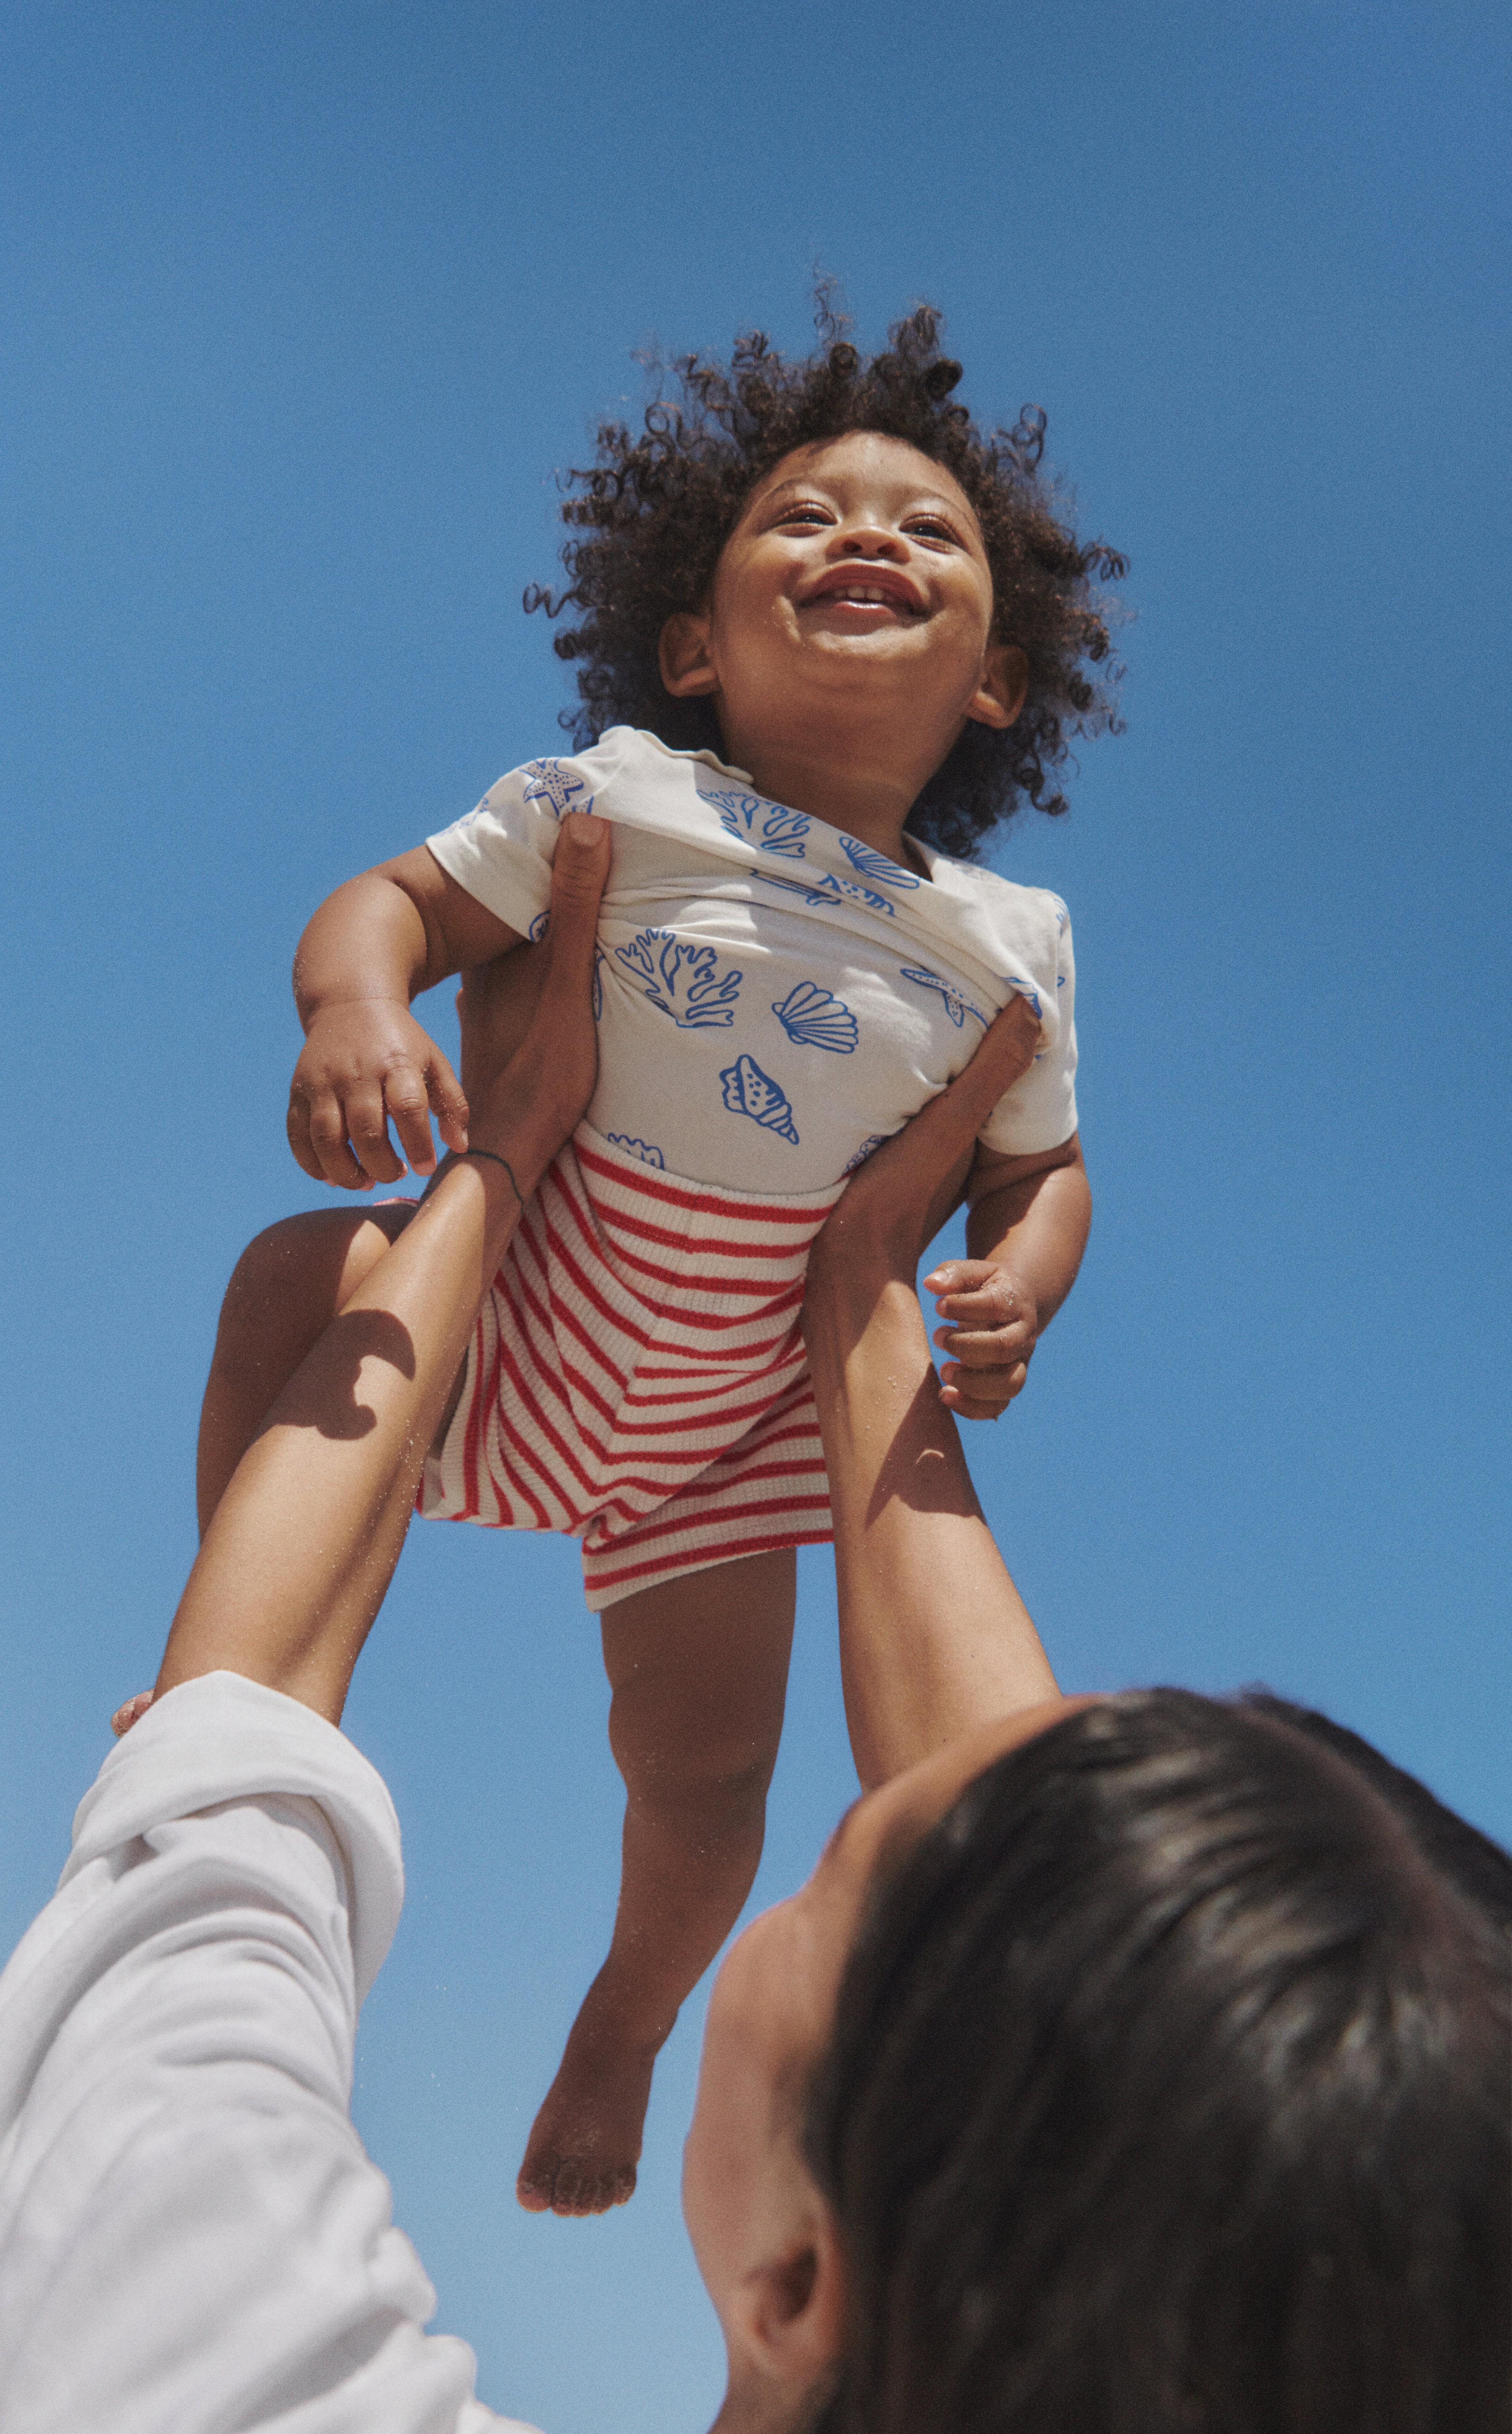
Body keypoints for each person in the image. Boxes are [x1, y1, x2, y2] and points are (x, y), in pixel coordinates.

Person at [0, 825, 1510, 2434]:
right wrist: (854, 1281)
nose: (899, 1803)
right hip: (723, 1324)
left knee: (689, 1761)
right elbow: (1023, 1883)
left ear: (808, 2281)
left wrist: (508, 1150)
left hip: (537, 1256)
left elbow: (234, 1743)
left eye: (841, 1879)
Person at [195, 301, 1124, 2215]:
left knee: (707, 1797)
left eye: (928, 533)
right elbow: (391, 900)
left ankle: (623, 2026)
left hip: (732, 1423)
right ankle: (253, 1694)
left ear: (998, 688)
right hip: (524, 1312)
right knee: (296, 1279)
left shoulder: (1010, 938)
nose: (869, 535)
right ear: (695, 644)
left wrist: (1024, 1281)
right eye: (805, 517)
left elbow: (1048, 1168)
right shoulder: (609, 797)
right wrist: (351, 1012)